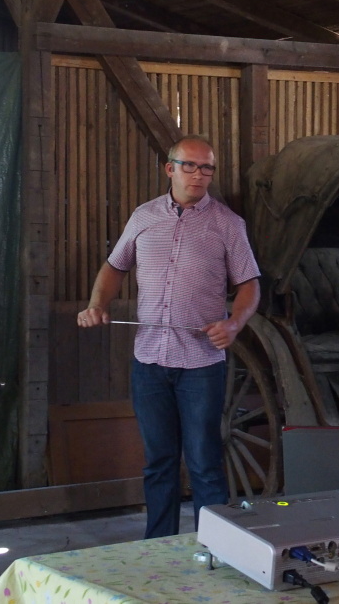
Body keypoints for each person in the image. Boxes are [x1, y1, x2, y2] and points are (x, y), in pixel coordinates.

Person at [77, 135, 260, 539]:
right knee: (159, 463)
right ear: (169, 169)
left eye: (207, 167)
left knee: (204, 463)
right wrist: (97, 304)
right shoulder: (143, 217)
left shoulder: (228, 224)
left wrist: (233, 324)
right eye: (189, 165)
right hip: (149, 363)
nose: (199, 174)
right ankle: (157, 547)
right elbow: (115, 267)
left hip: (201, 366)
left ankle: (216, 549)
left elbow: (250, 285)